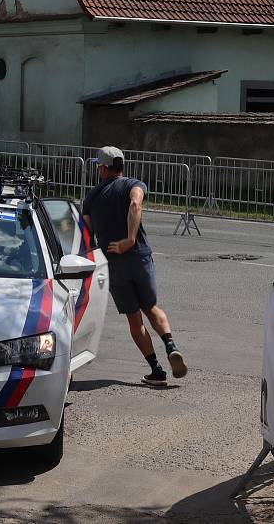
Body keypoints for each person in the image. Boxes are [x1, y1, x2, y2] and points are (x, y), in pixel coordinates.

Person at [81, 146, 188, 386]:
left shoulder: (91, 197)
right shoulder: (134, 184)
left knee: (134, 319)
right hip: (139, 256)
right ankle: (170, 345)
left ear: (102, 168)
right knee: (151, 307)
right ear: (121, 166)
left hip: (113, 264)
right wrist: (130, 239)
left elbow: (86, 233)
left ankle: (156, 370)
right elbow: (134, 205)